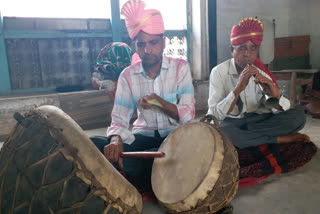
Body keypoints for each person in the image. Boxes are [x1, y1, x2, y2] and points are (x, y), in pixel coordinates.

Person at [90, 0, 195, 191]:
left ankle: (138, 171)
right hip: (143, 136)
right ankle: (149, 170)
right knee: (93, 145)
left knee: (181, 152)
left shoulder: (181, 68)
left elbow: (188, 115)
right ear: (135, 46)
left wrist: (158, 102)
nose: (147, 50)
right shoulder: (127, 75)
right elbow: (120, 119)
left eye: (153, 42)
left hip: (175, 136)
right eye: (141, 44)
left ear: (163, 42)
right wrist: (115, 140)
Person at [208, 17, 310, 149]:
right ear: (231, 50)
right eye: (241, 48)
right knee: (221, 130)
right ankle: (279, 139)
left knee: (298, 117)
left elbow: (279, 111)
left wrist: (275, 93)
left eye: (253, 49)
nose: (247, 54)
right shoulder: (218, 72)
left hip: (257, 121)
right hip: (233, 122)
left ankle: (250, 139)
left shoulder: (261, 72)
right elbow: (215, 114)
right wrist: (238, 88)